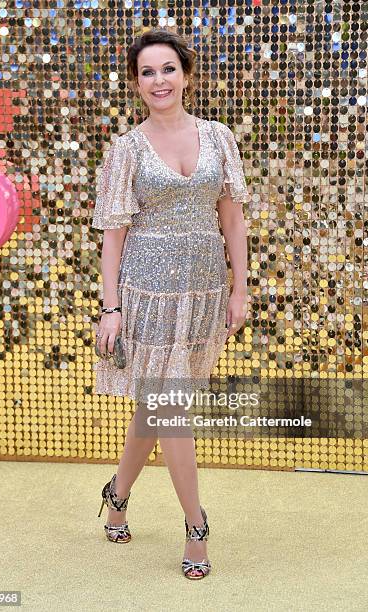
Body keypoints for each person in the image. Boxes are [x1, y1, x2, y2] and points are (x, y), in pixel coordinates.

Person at [92, 29, 250, 580]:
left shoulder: (219, 137)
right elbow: (113, 234)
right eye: (147, 72)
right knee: (171, 406)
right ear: (136, 84)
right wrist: (110, 307)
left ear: (186, 74)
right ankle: (196, 525)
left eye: (167, 69)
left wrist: (241, 286)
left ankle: (116, 494)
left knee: (155, 406)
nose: (158, 80)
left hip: (203, 288)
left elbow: (232, 216)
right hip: (147, 294)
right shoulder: (127, 147)